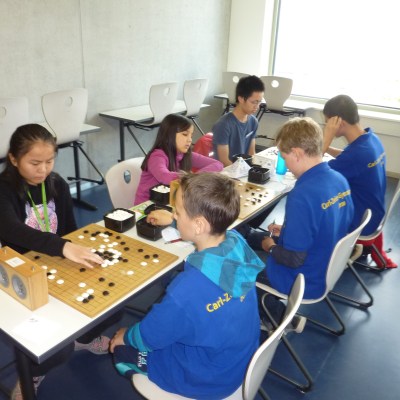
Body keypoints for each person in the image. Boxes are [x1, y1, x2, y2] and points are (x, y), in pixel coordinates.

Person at [110, 173, 265, 399]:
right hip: (239, 363)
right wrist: (176, 222)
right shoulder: (236, 242)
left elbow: (150, 337)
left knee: (122, 349)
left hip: (207, 380)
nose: (174, 215)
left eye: (178, 212)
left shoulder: (186, 290)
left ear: (199, 224)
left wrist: (126, 336)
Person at [0, 124, 110, 400]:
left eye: (49, 161)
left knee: (111, 308)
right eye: (35, 163)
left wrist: (74, 248)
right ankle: (30, 377)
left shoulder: (57, 183)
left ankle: (84, 339)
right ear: (14, 159)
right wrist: (62, 246)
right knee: (57, 348)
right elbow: (10, 229)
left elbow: (70, 230)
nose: (43, 170)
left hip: (56, 260)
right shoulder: (3, 189)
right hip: (20, 271)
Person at [248, 117, 354, 305]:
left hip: (301, 280)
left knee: (236, 272)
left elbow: (293, 259)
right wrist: (288, 230)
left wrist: (270, 247)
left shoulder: (302, 195)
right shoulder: (339, 180)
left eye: (284, 157)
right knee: (256, 238)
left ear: (297, 153)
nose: (286, 164)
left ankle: (275, 314)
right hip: (327, 269)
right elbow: (331, 224)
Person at [322, 94, 397, 268]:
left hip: (361, 224)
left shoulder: (356, 155)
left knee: (314, 204)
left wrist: (326, 139)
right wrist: (327, 148)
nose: (327, 126)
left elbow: (313, 172)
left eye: (327, 122)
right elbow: (348, 156)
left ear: (338, 122)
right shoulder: (371, 139)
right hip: (375, 216)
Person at [134, 114, 223, 205]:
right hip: (146, 206)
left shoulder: (185, 154)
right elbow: (165, 177)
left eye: (191, 136)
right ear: (169, 135)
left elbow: (218, 164)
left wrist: (195, 177)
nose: (190, 140)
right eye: (185, 134)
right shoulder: (157, 156)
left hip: (170, 202)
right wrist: (190, 177)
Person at [212, 75, 264, 166]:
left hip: (242, 168)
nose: (257, 106)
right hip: (226, 171)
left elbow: (252, 154)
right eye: (254, 102)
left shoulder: (253, 122)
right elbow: (224, 161)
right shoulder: (224, 124)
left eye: (259, 102)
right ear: (241, 99)